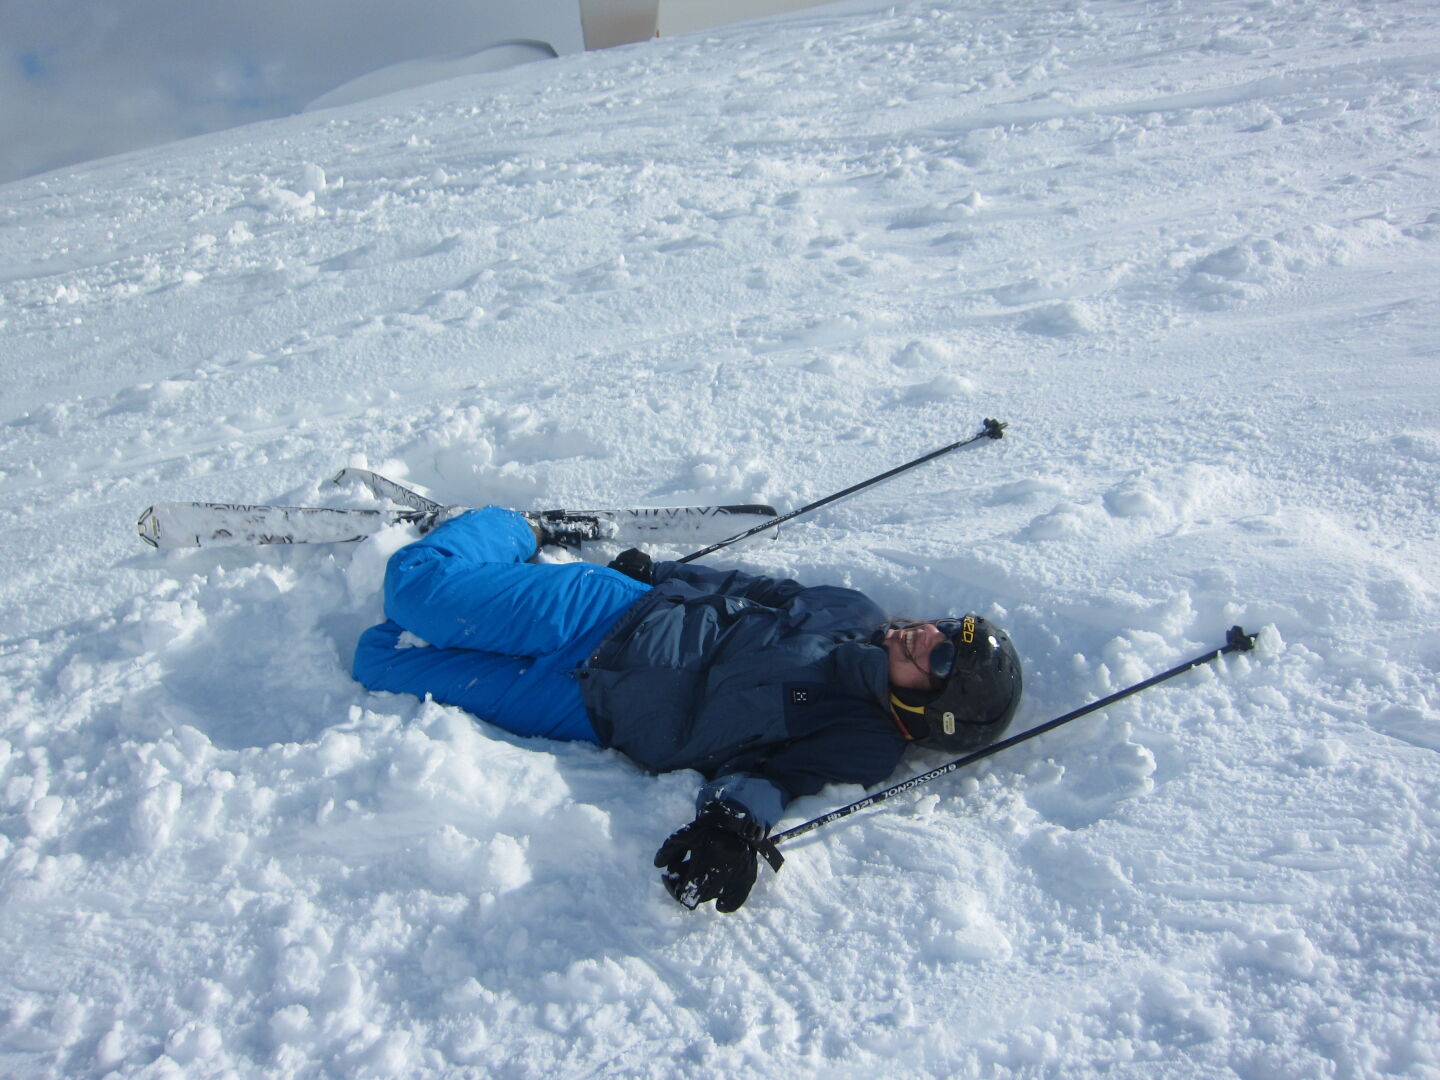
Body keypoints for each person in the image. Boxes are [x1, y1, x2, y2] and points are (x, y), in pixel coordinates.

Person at [352, 505, 1023, 912]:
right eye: (945, 626)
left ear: (935, 711)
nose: (926, 635)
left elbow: (777, 778)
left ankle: (476, 589)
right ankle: (509, 528)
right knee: (414, 591)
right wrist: (659, 574)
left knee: (377, 663)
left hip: (591, 710)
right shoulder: (853, 612)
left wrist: (732, 830)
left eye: (941, 659)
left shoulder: (860, 735)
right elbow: (744, 587)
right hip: (608, 615)